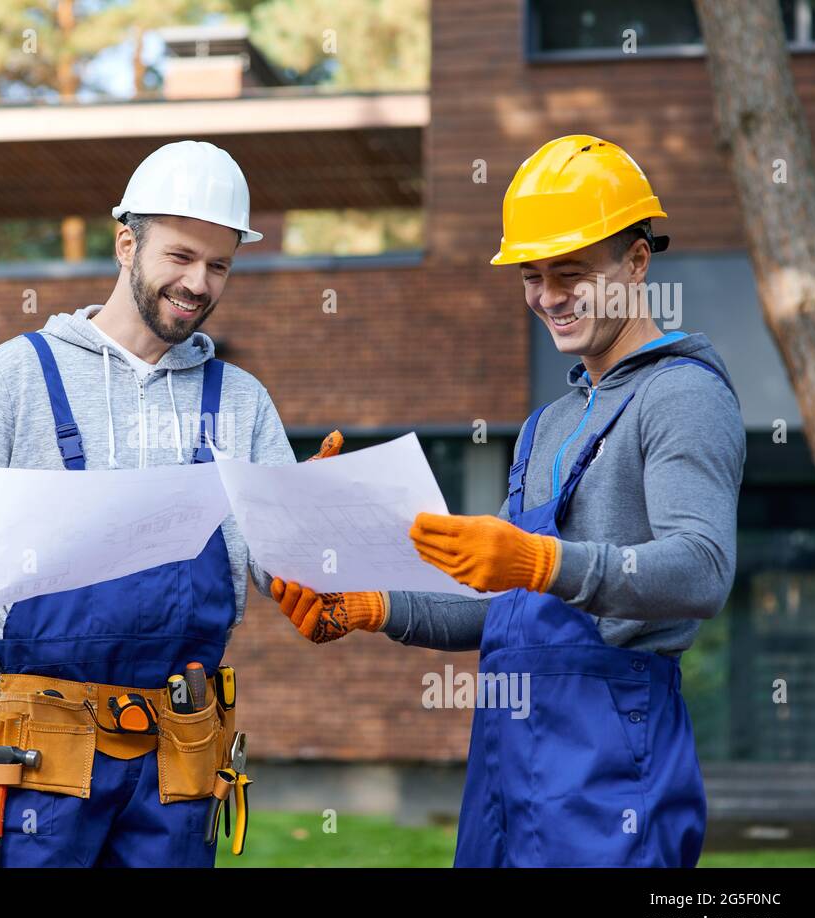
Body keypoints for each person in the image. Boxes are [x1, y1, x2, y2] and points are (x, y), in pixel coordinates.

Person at [270, 134, 745, 867]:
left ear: (638, 261)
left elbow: (702, 567)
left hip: (611, 768)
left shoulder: (682, 394)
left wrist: (540, 557)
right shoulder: (545, 425)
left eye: (572, 272)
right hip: (506, 764)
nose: (549, 296)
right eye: (532, 274)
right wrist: (376, 608)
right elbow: (514, 606)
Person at [0, 140, 296, 867]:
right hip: (41, 757)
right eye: (181, 256)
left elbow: (287, 566)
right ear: (126, 242)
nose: (199, 283)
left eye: (220, 264)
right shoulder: (16, 375)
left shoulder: (240, 402)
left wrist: (320, 535)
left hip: (178, 760)